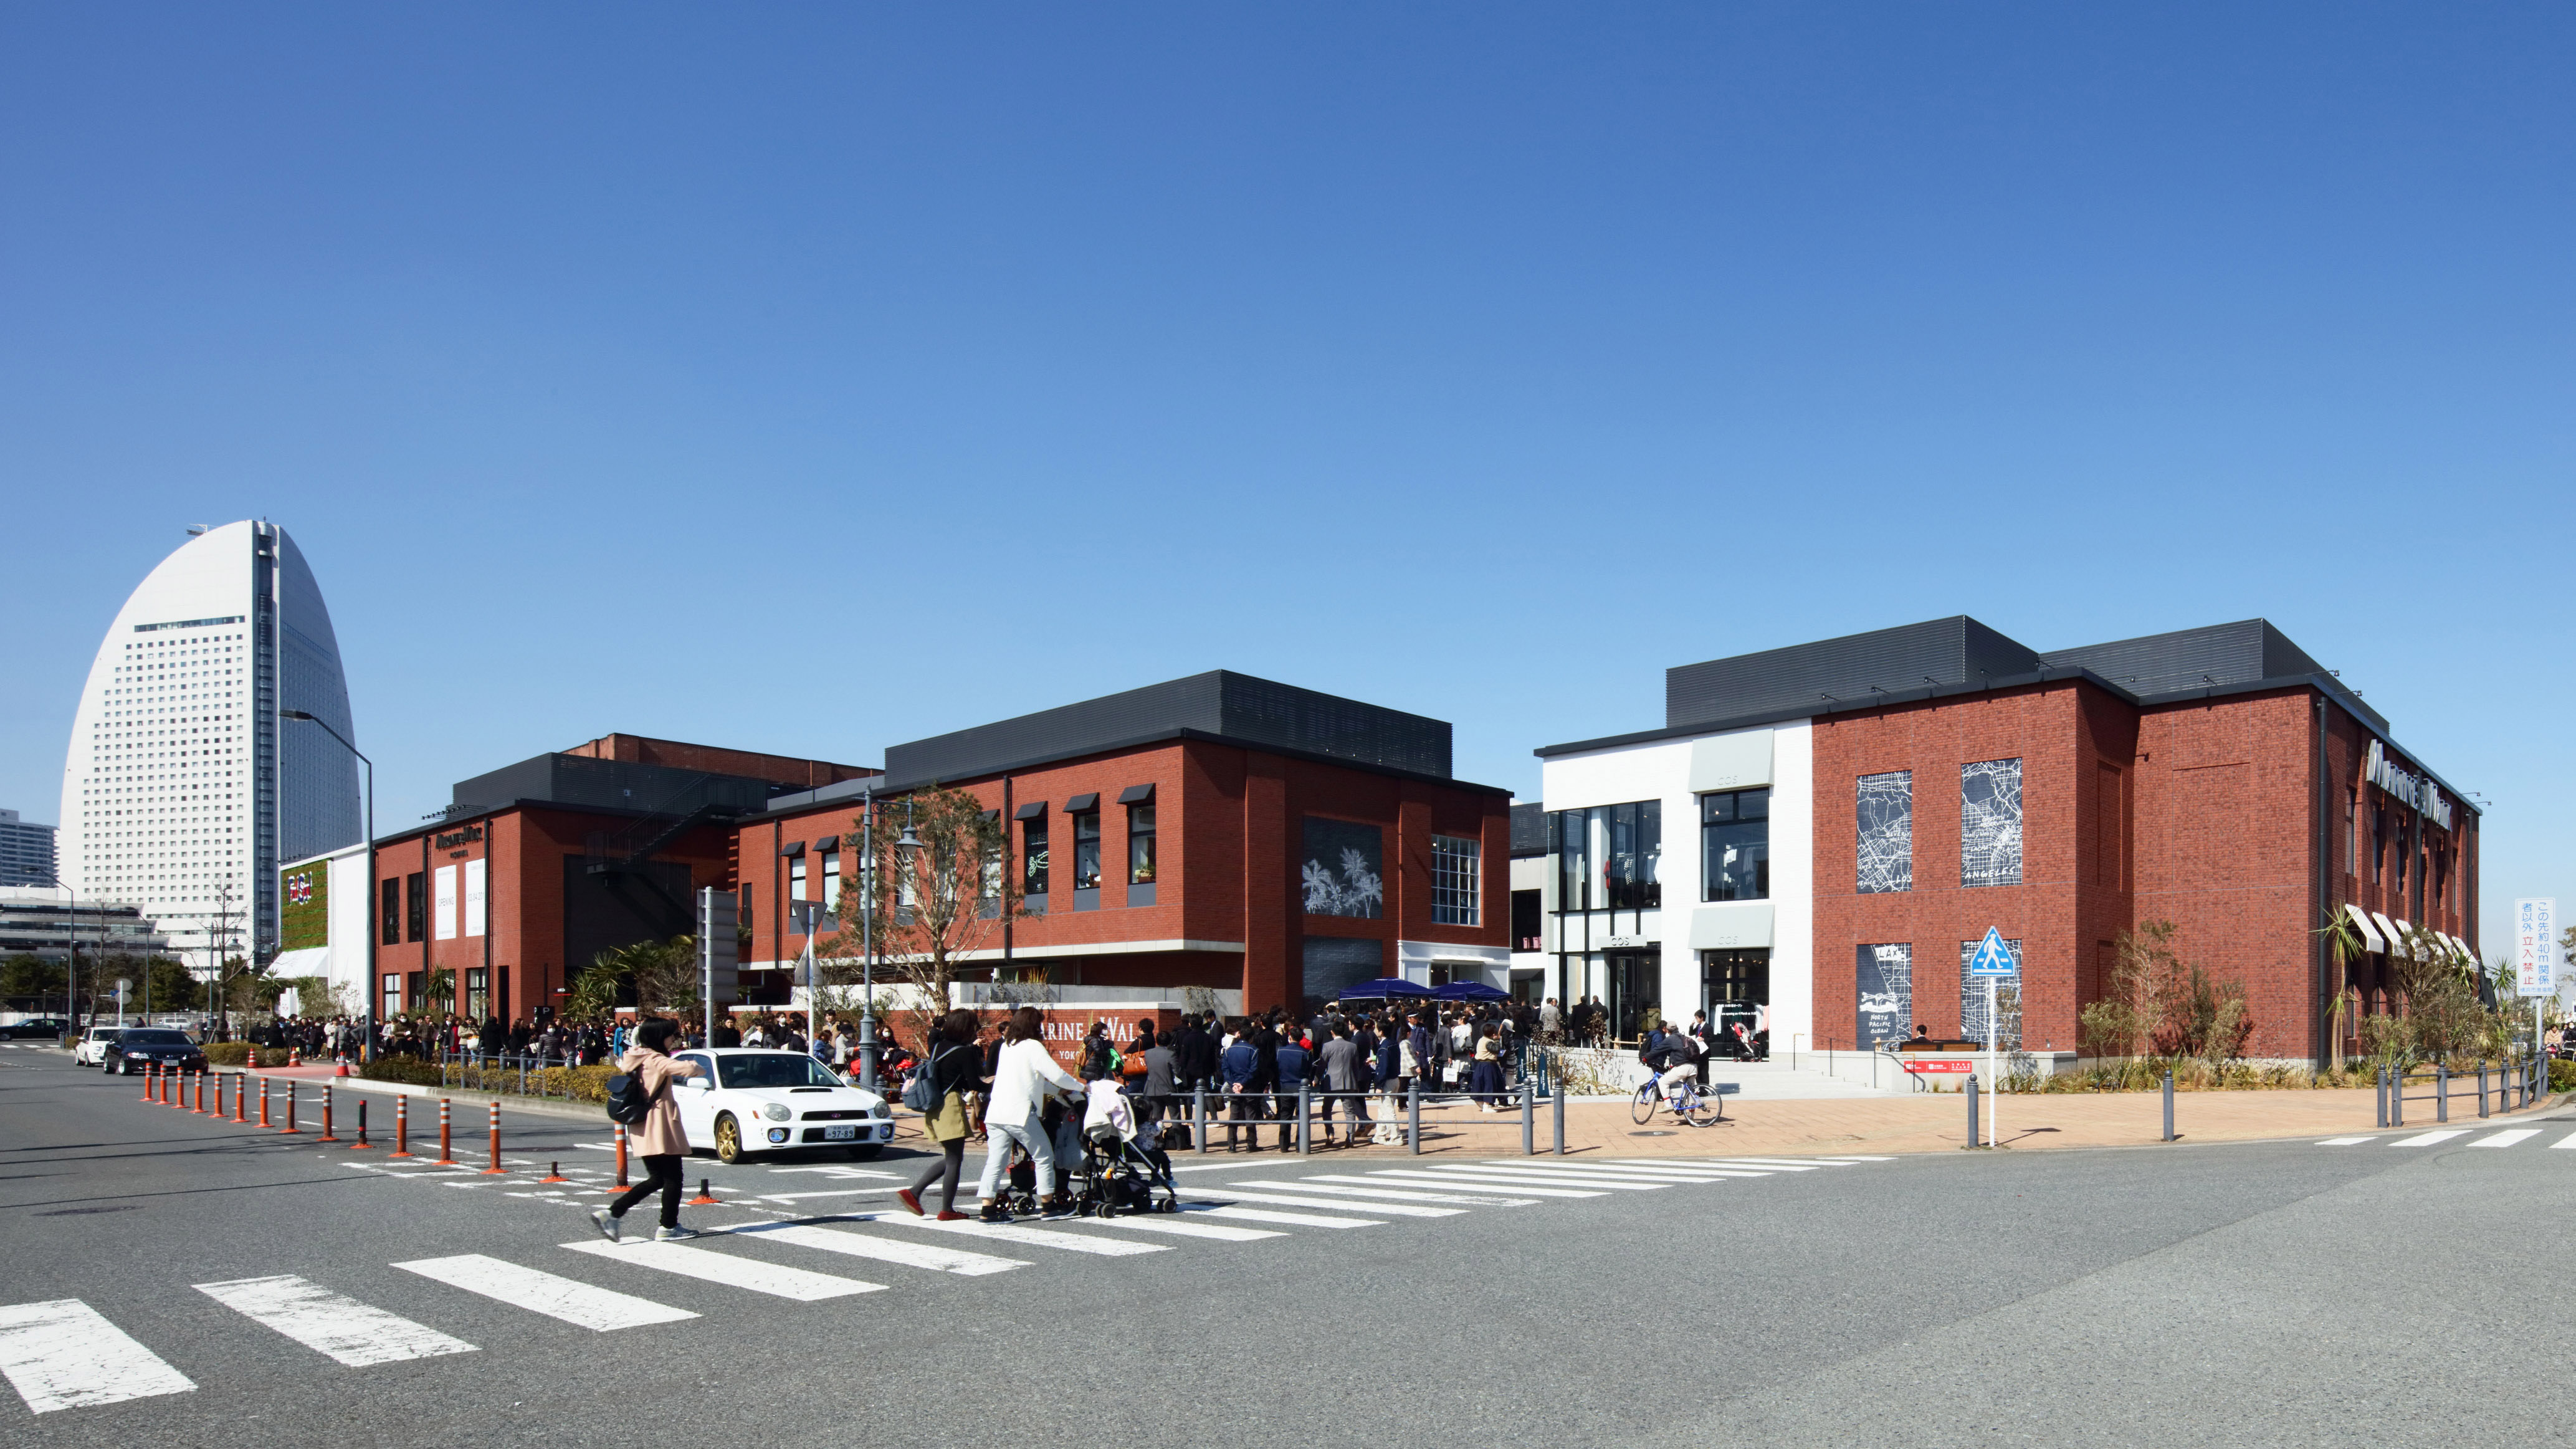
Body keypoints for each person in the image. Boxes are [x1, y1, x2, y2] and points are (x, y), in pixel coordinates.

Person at [591, 1018, 704, 1243]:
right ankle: (668, 1227)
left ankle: (613, 1213)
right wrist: (695, 1064)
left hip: (642, 1124)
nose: (674, 1040)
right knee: (673, 1178)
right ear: (659, 1037)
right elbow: (692, 1069)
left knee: (657, 1178)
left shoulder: (636, 1056)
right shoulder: (655, 1059)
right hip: (659, 1122)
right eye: (672, 1035)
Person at [975, 1006, 1084, 1220]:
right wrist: (1081, 1087)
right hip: (1020, 1113)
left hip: (996, 1113)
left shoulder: (1008, 1045)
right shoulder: (1033, 1046)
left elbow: (1031, 1081)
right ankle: (1048, 1206)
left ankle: (987, 1209)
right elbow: (1056, 1074)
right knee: (1044, 1156)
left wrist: (1056, 1091)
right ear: (1034, 1025)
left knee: (996, 1160)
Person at [895, 1010, 980, 1221]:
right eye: (974, 1027)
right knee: (954, 1160)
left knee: (952, 1157)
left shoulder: (938, 1047)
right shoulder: (965, 1052)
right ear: (966, 1029)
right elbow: (975, 1084)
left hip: (934, 1104)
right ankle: (945, 1208)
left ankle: (915, 1193)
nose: (976, 1031)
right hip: (950, 1104)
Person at [1315, 1021, 1370, 1144]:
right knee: (1349, 1111)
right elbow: (1356, 1066)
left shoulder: (1327, 1046)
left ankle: (1330, 1133)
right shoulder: (1352, 1046)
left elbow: (1322, 1065)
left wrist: (1317, 1079)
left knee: (1327, 1109)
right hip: (1348, 1082)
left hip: (1332, 1083)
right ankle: (1350, 1137)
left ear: (1332, 1032)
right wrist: (1355, 1081)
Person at [1220, 1026, 1262, 1151]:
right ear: (1251, 1038)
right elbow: (1253, 1070)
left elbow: (1225, 1069)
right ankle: (1251, 1144)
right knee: (1250, 1115)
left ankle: (1232, 1145)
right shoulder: (1254, 1050)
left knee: (1234, 1115)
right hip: (1249, 1086)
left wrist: (1234, 1084)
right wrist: (1242, 1084)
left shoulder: (1229, 1051)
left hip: (1234, 1086)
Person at [1272, 1026, 1310, 1149]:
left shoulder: (1281, 1051)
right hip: (1301, 1086)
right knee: (1302, 1116)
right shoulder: (1305, 1053)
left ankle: (1283, 1145)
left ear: (1290, 1037)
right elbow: (1309, 1070)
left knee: (1285, 1114)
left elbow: (1277, 1068)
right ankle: (1300, 1145)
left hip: (1285, 1085)